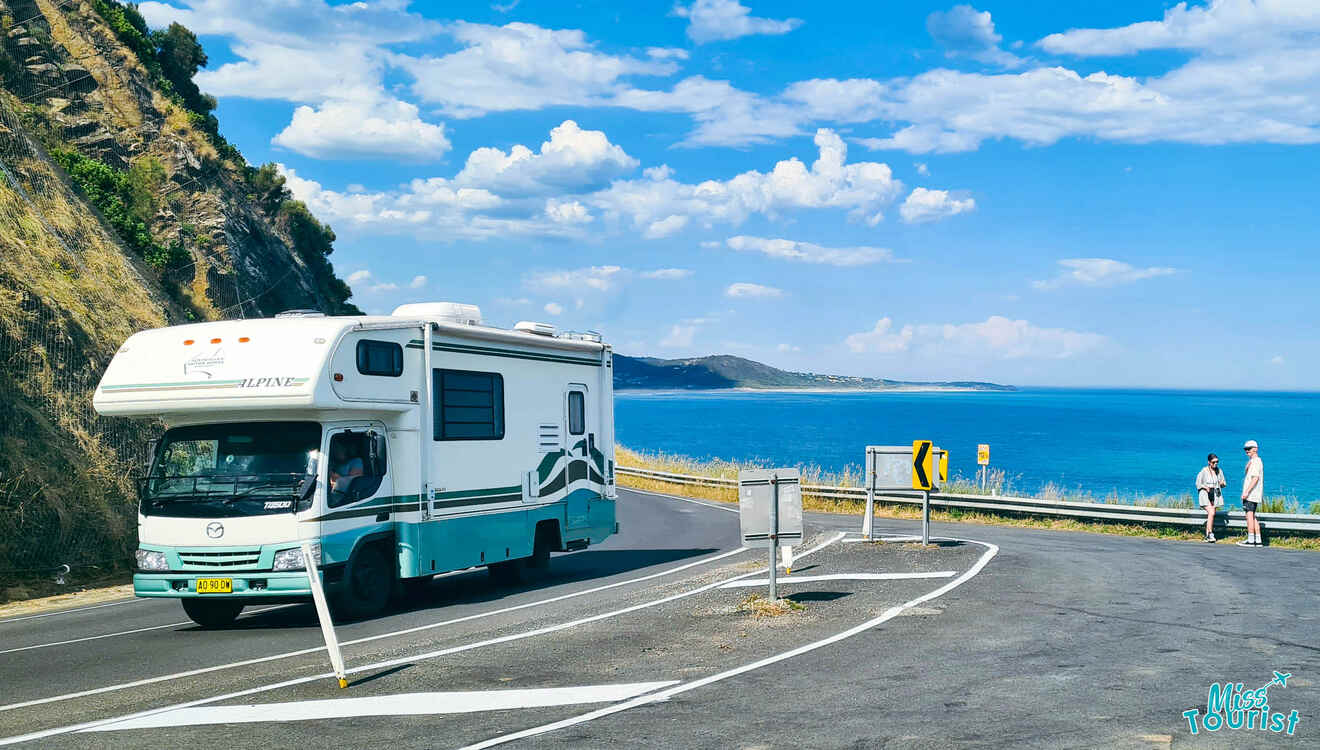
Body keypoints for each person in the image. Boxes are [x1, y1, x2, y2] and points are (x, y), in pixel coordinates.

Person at [1237, 440, 1264, 547]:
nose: (1246, 451)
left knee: (1249, 516)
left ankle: (1251, 539)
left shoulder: (1256, 462)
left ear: (1255, 449)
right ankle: (1258, 539)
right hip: (1255, 494)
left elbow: (1255, 478)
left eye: (1249, 449)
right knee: (1253, 516)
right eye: (1245, 449)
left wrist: (1246, 492)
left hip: (1251, 494)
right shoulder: (1255, 461)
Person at [1195, 453, 1226, 542]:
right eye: (1213, 462)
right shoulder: (1204, 471)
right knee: (1211, 512)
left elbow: (1223, 482)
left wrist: (1222, 484)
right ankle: (1210, 534)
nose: (1215, 464)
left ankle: (1207, 535)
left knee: (1211, 514)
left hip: (1215, 495)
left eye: (1217, 462)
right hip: (1205, 494)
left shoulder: (1219, 471)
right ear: (1209, 462)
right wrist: (1205, 487)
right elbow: (1198, 483)